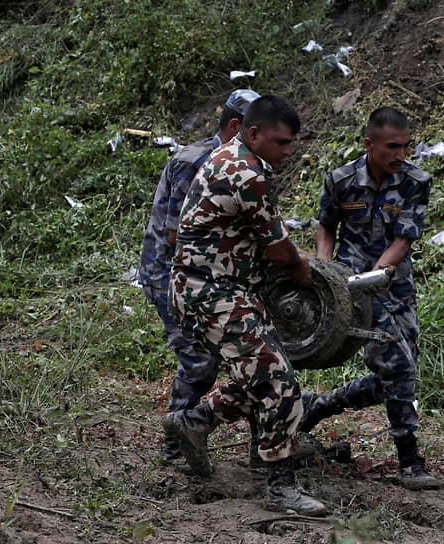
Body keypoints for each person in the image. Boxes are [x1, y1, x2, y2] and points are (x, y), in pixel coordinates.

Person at [163, 95, 327, 516]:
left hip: (210, 289)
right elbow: (280, 252)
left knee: (257, 373)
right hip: (211, 292)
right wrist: (306, 271)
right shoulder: (247, 174)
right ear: (254, 134)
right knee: (277, 379)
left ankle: (194, 423)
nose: (289, 152)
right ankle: (279, 484)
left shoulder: (230, 157)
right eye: (283, 142)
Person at [301, 107, 439, 491]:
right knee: (399, 370)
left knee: (395, 376)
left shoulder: (415, 181)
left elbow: (404, 240)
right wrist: (324, 273)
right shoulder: (341, 180)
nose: (400, 154)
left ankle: (320, 405)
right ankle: (410, 460)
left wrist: (376, 275)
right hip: (352, 294)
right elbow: (326, 225)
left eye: (405, 146)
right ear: (369, 144)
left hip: (395, 288)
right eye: (392, 147)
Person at [138, 89, 260, 463]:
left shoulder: (241, 163)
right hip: (172, 275)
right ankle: (175, 447)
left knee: (245, 357)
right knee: (199, 363)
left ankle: (250, 447)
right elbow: (179, 237)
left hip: (211, 278)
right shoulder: (195, 162)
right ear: (237, 126)